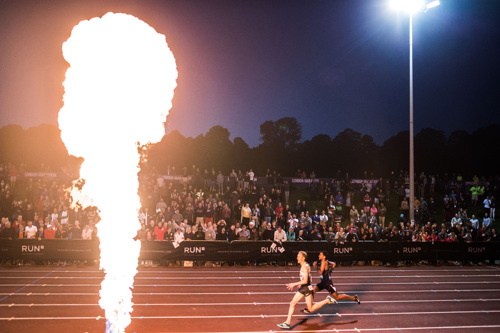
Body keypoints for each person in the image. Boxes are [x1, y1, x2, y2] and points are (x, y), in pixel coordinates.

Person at [277, 251, 335, 330]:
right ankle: (287, 323)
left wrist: (294, 284)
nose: (297, 258)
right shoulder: (303, 266)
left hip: (307, 289)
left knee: (310, 308)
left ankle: (327, 300)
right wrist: (300, 284)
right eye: (297, 256)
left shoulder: (305, 267)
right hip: (303, 288)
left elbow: (305, 281)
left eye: (299, 256)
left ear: (303, 257)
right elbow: (305, 279)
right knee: (292, 303)